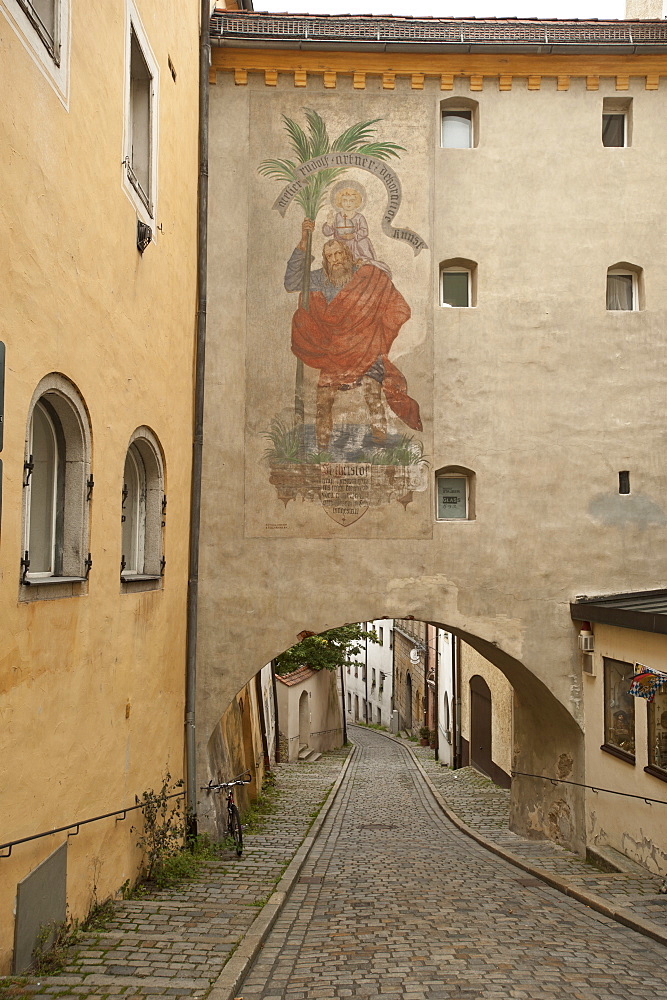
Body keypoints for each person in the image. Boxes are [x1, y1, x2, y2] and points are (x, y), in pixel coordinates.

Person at [284, 218, 422, 452]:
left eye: (339, 254)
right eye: (330, 256)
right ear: (326, 260)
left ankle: (380, 448)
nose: (336, 260)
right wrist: (303, 241)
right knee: (323, 401)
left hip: (367, 349)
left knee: (372, 395)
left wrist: (379, 332)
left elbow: (398, 306)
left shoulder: (368, 275)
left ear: (347, 254)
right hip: (335, 352)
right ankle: (322, 453)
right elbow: (291, 283)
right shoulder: (318, 278)